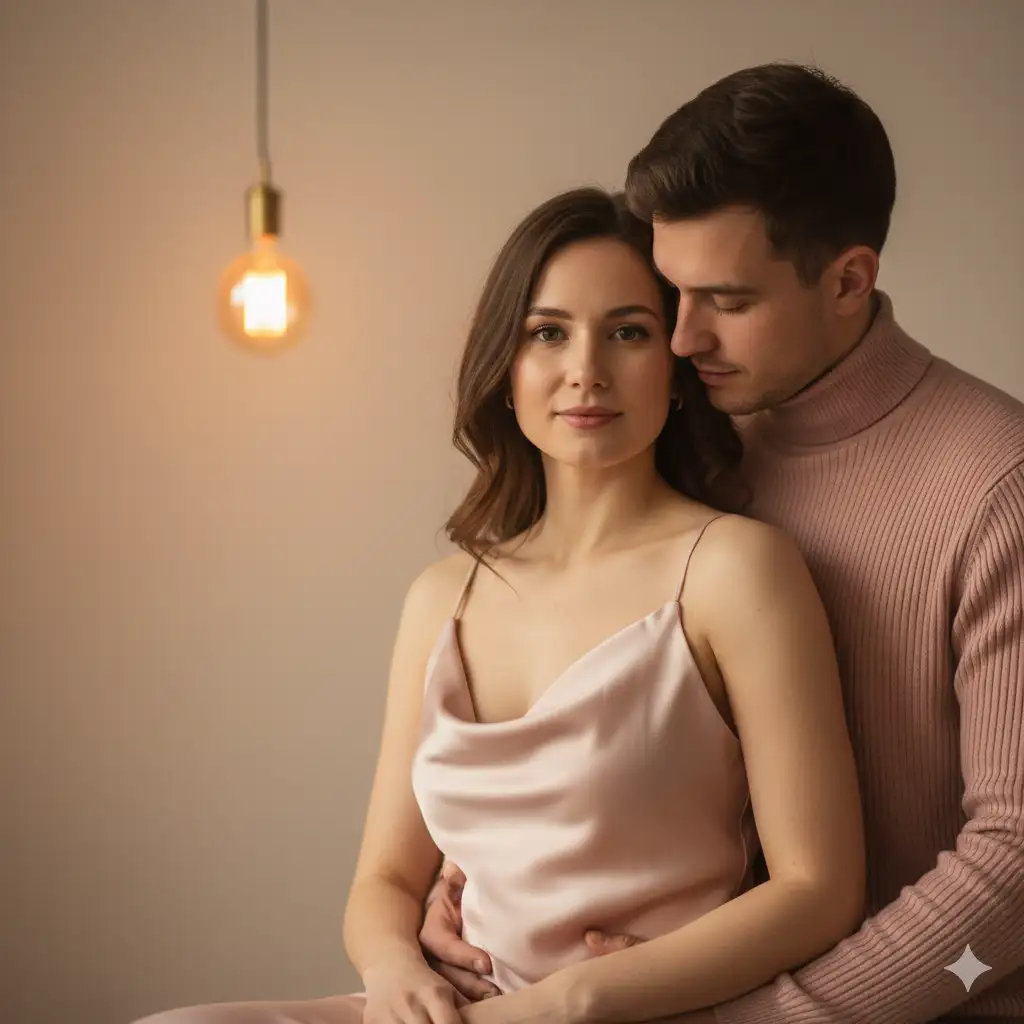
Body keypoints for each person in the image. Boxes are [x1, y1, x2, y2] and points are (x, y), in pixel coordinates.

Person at [133, 188, 868, 1024]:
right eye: (547, 333)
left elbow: (820, 889)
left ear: (676, 371)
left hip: (622, 1011)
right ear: (506, 372)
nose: (585, 369)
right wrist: (393, 968)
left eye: (628, 332)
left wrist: (572, 1001)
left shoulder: (735, 569)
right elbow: (383, 880)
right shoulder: (444, 596)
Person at [422, 64, 1024, 1024]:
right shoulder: (685, 445)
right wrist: (466, 881)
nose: (681, 335)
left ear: (849, 279)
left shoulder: (999, 482)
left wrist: (763, 1017)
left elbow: (1016, 865)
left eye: (726, 301)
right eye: (671, 295)